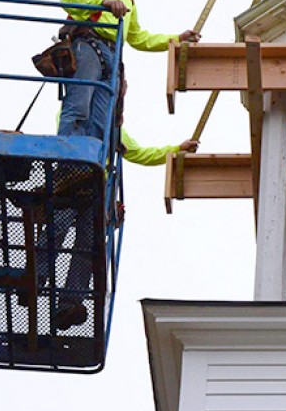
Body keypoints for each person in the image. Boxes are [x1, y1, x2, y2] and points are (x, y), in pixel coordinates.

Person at [57, 0, 201, 141]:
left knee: (101, 119)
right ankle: (68, 160)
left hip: (112, 57)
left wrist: (175, 39)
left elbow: (137, 37)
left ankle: (88, 167)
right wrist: (103, 2)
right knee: (79, 106)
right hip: (88, 45)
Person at [48, 132, 200, 330]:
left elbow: (140, 154)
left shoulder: (114, 127)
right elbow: (71, 120)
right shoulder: (82, 112)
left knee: (87, 247)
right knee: (56, 230)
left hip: (95, 190)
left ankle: (68, 305)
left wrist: (176, 149)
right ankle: (37, 274)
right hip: (69, 182)